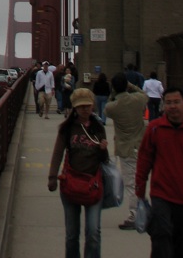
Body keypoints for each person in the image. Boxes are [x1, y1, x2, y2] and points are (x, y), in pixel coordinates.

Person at [48, 87, 109, 258]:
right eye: (81, 106)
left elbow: (105, 160)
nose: (85, 109)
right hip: (71, 184)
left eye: (88, 105)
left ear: (92, 106)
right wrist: (52, 177)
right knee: (72, 235)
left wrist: (103, 150)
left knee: (93, 233)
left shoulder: (98, 128)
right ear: (75, 107)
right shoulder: (67, 128)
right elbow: (58, 152)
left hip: (93, 185)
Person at [135, 87, 183, 257]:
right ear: (163, 105)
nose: (172, 106)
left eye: (176, 102)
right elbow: (144, 160)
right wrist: (140, 188)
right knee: (161, 237)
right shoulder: (155, 129)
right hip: (162, 196)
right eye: (168, 103)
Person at [104, 72, 147, 230]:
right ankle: (142, 210)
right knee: (140, 179)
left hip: (125, 147)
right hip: (140, 145)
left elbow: (106, 108)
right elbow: (144, 94)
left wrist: (114, 92)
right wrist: (131, 86)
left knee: (131, 183)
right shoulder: (138, 100)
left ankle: (135, 215)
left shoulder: (113, 106)